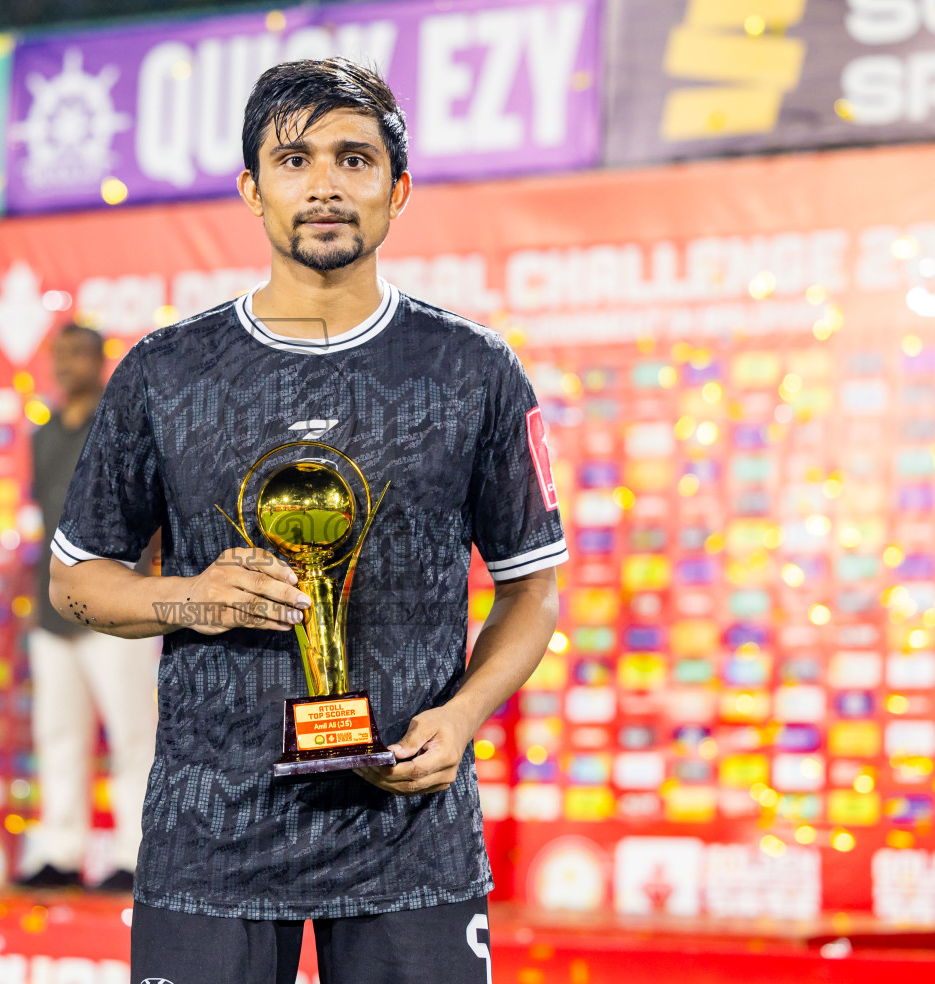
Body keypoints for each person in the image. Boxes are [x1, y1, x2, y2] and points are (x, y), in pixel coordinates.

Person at [47, 59, 566, 984]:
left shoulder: (472, 370)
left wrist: (462, 718)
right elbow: (78, 577)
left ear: (397, 190)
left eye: (354, 159)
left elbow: (534, 584)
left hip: (412, 842)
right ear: (252, 189)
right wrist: (188, 599)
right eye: (294, 159)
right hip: (211, 843)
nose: (325, 183)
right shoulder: (167, 372)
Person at [17, 324, 158, 892]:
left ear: (102, 360)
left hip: (117, 598)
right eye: (59, 354)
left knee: (132, 734)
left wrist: (146, 583)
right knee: (58, 733)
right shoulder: (43, 433)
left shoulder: (122, 422)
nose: (67, 363)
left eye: (79, 353)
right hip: (55, 607)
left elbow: (153, 501)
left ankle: (133, 855)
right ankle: (62, 850)